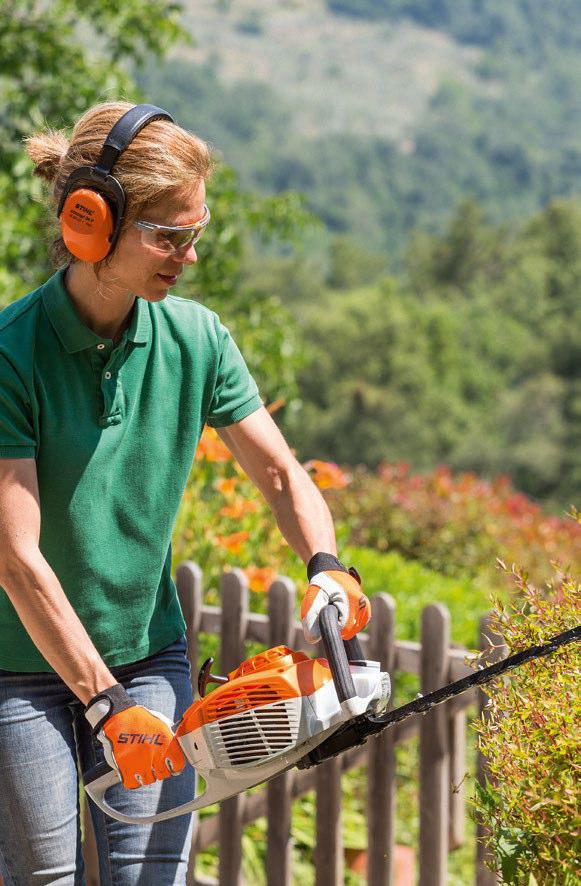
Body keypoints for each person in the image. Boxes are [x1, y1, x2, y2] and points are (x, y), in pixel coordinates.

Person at [0, 101, 370, 885]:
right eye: (168, 237)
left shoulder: (196, 339)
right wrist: (103, 703)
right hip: (15, 664)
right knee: (45, 877)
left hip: (147, 655)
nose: (187, 257)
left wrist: (327, 563)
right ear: (88, 223)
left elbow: (277, 473)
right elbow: (16, 557)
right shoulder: (11, 355)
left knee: (151, 877)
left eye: (194, 235)